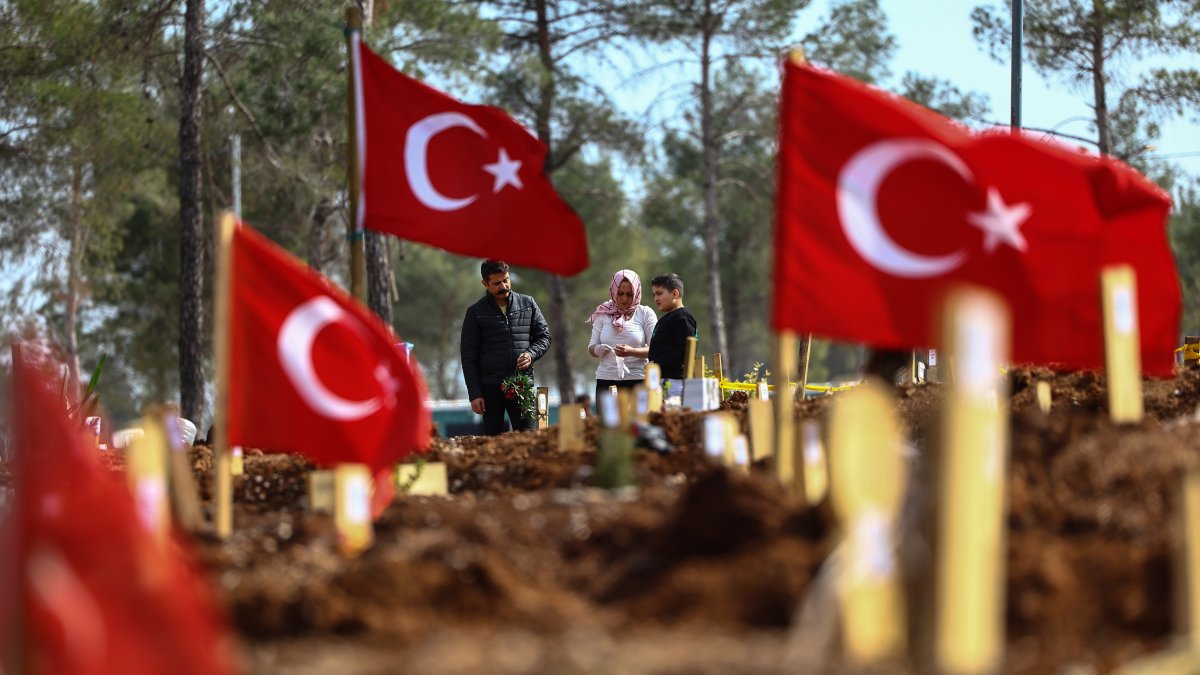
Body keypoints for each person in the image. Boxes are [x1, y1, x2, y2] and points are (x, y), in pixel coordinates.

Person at [460, 259, 551, 435]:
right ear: (485, 283)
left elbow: (544, 337)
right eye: (497, 283)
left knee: (528, 437)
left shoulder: (528, 304)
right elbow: (468, 356)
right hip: (490, 389)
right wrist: (475, 394)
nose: (504, 286)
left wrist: (531, 354)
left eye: (506, 280)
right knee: (494, 441)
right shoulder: (475, 312)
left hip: (522, 385)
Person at [587, 269, 658, 407]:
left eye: (630, 294)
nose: (624, 299)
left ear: (637, 293)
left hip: (637, 380)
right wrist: (597, 350)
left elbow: (655, 349)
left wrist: (632, 351)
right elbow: (591, 346)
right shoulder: (603, 313)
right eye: (620, 294)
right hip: (606, 380)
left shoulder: (645, 313)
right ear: (613, 291)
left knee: (636, 426)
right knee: (607, 426)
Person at [647, 273, 698, 388]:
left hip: (676, 383)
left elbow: (685, 353)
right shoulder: (666, 319)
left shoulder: (682, 318)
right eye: (654, 294)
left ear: (675, 293)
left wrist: (657, 363)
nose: (656, 299)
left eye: (659, 293)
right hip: (662, 380)